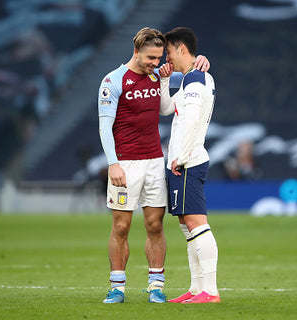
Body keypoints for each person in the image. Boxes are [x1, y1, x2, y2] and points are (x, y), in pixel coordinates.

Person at [97, 27, 210, 304]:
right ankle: (117, 287)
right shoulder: (113, 81)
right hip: (125, 163)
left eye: (160, 57)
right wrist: (113, 164)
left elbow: (165, 108)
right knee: (121, 227)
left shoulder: (155, 77)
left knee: (154, 225)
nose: (156, 63)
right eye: (150, 58)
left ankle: (156, 285)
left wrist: (201, 61)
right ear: (136, 51)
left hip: (153, 162)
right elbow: (104, 126)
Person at [158, 27, 220, 303]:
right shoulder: (189, 80)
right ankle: (196, 289)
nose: (166, 58)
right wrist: (164, 80)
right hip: (185, 160)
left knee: (196, 223)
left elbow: (193, 121)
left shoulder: (196, 79)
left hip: (188, 161)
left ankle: (210, 290)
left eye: (168, 51)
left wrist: (179, 158)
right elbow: (166, 109)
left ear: (181, 48)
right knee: (186, 224)